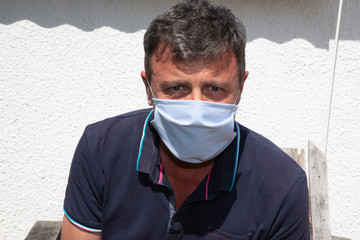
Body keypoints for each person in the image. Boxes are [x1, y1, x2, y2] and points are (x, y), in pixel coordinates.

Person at [61, 0, 310, 239]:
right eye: (177, 88)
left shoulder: (283, 187)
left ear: (240, 87)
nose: (196, 111)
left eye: (214, 88)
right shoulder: (100, 149)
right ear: (148, 88)